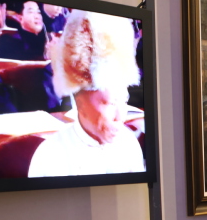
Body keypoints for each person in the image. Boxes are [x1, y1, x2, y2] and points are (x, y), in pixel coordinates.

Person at [28, 10, 144, 177]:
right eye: (111, 103)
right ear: (79, 102)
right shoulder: (50, 156)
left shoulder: (129, 143)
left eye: (124, 101)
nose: (121, 116)